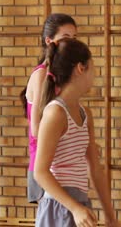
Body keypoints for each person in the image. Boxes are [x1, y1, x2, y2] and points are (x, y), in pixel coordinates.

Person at [33, 38, 120, 227]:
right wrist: (74, 207)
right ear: (81, 68)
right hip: (58, 207)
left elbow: (95, 169)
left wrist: (110, 217)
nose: (95, 74)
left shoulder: (85, 114)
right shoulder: (55, 112)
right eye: (93, 68)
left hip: (79, 204)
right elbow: (40, 172)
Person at [19, 13, 77, 203]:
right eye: (65, 38)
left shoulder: (61, 75)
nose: (71, 44)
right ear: (49, 40)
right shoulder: (41, 75)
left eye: (74, 38)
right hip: (45, 164)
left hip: (62, 163)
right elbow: (36, 128)